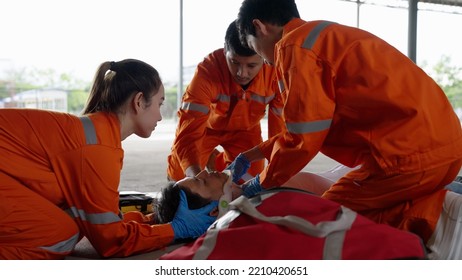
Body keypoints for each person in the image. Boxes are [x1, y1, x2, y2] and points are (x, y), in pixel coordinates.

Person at [227, 0, 462, 245]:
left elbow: (303, 140)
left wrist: (260, 183)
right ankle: (442, 213)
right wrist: (252, 155)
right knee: (362, 208)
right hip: (446, 146)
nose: (264, 61)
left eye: (255, 48)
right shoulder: (324, 37)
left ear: (260, 27)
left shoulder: (293, 48)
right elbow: (306, 129)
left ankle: (438, 223)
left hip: (408, 156)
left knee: (325, 219)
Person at [0, 59, 217, 260]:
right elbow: (111, 240)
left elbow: (102, 219)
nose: (160, 116)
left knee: (72, 221)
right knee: (60, 234)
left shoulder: (100, 135)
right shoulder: (99, 148)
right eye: (159, 104)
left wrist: (153, 221)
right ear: (139, 101)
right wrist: (173, 230)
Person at [167, 20, 285, 182]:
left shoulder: (275, 72)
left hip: (246, 132)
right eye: (235, 62)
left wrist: (276, 175)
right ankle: (205, 161)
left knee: (251, 179)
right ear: (225, 51)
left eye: (251, 66)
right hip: (206, 130)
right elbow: (188, 130)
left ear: (263, 57)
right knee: (180, 178)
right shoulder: (207, 71)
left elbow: (279, 132)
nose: (242, 73)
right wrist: (196, 178)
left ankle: (216, 160)